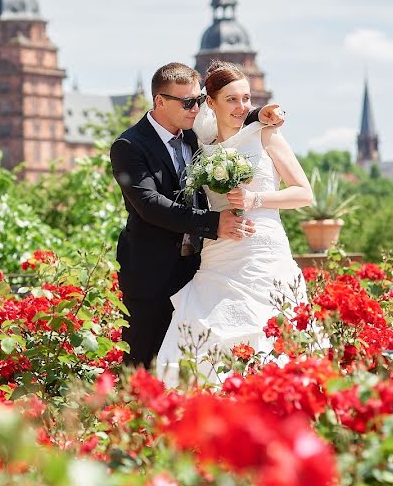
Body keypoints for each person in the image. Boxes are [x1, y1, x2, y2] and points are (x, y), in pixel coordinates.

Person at [110, 62, 285, 368]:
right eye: (188, 102)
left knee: (189, 362)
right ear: (160, 101)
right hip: (151, 274)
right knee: (143, 366)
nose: (196, 109)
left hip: (196, 270)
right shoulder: (129, 145)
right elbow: (149, 204)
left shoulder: (193, 135)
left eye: (199, 101)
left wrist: (260, 114)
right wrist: (214, 223)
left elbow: (226, 117)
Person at [154, 60, 312, 384]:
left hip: (264, 253)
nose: (242, 107)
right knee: (198, 338)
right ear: (209, 103)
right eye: (231, 99)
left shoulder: (266, 136)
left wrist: (257, 200)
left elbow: (304, 193)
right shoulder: (201, 146)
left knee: (272, 338)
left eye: (246, 99)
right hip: (219, 257)